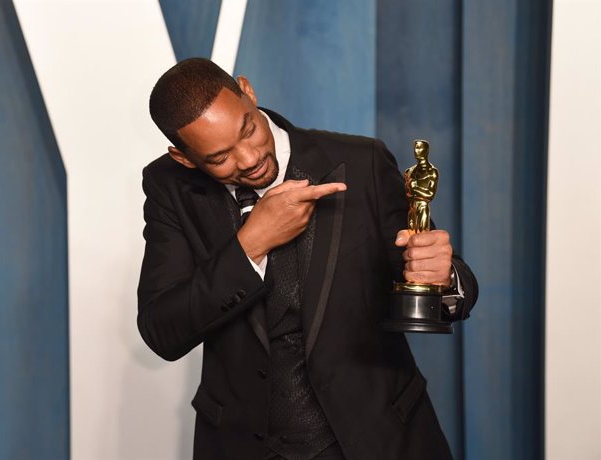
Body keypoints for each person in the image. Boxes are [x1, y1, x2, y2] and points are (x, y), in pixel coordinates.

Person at [138, 58, 478, 460]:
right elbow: (163, 331)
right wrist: (249, 246)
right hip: (244, 447)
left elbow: (433, 284)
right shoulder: (169, 187)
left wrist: (442, 275)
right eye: (219, 159)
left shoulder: (361, 160)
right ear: (184, 157)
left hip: (379, 439)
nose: (248, 159)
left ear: (248, 92)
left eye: (248, 129)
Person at [405, 140, 438, 234]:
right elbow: (407, 192)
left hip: (422, 207)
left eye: (419, 147)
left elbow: (430, 194)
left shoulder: (432, 171)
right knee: (410, 237)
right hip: (412, 208)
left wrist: (415, 189)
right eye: (415, 147)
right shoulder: (409, 171)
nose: (416, 150)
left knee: (422, 235)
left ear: (426, 150)